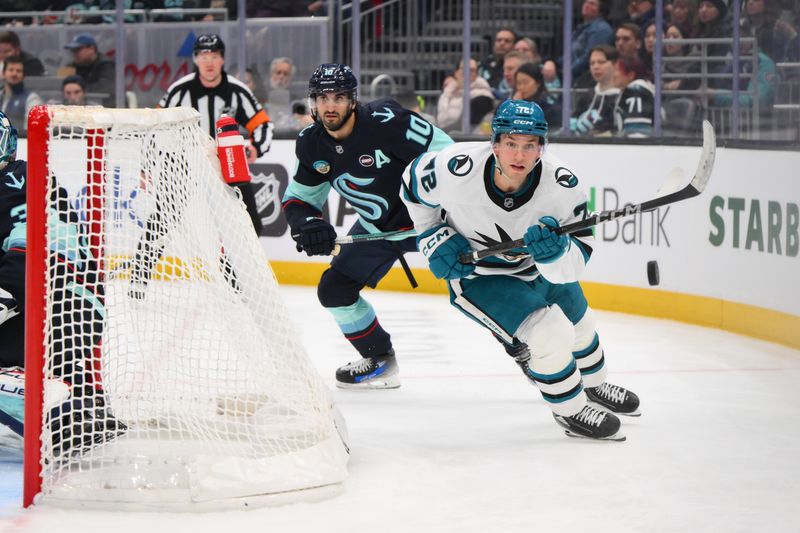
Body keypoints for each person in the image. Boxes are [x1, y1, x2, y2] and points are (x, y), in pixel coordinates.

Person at [400, 99, 640, 441]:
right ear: (494, 143)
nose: (519, 155)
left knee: (582, 324)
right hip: (480, 277)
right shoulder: (455, 168)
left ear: (541, 148)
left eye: (529, 146)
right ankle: (570, 411)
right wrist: (432, 234)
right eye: (511, 143)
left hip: (535, 267)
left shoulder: (563, 187)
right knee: (551, 333)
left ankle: (595, 386)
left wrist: (556, 254)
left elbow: (574, 265)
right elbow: (411, 185)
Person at [281, 63, 453, 389]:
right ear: (313, 102)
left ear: (353, 99)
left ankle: (528, 348)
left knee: (481, 286)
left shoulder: (390, 123)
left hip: (434, 220)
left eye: (339, 97)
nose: (330, 105)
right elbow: (299, 200)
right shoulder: (312, 144)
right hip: (379, 228)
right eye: (322, 97)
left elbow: (451, 159)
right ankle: (380, 359)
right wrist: (307, 224)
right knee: (334, 289)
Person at [0, 111, 124, 452]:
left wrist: (6, 293)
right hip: (42, 305)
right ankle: (80, 399)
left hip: (62, 302)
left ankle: (64, 407)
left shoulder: (23, 178)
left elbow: (37, 245)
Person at [159, 34, 273, 234]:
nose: (209, 62)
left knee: (251, 224)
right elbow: (156, 128)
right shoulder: (179, 90)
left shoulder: (237, 90)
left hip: (228, 165)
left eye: (214, 55)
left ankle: (228, 266)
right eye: (203, 56)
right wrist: (147, 167)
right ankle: (140, 265)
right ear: (195, 59)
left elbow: (262, 124)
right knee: (162, 220)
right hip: (187, 164)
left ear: (223, 59)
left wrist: (256, 147)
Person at [570, 44, 621, 136]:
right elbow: (573, 121)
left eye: (601, 62)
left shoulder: (622, 97)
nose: (595, 67)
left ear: (615, 64)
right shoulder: (587, 96)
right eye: (592, 63)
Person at [436, 57, 496, 133]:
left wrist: (443, 132)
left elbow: (463, 124)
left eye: (472, 70)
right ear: (456, 72)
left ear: (476, 74)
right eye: (464, 69)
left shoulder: (483, 96)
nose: (468, 73)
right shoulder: (447, 93)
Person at [63, 33, 116, 107]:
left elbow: (106, 87)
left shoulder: (106, 64)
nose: (74, 53)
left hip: (109, 107)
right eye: (73, 51)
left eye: (78, 50)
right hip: (81, 106)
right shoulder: (71, 65)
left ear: (92, 49)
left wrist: (81, 88)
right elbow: (62, 83)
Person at [613, 56, 657, 137]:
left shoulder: (635, 93)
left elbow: (637, 134)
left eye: (617, 70)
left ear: (631, 75)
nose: (613, 74)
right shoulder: (640, 92)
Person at [0, 56, 43, 137]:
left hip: (19, 144)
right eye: (11, 70)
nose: (14, 74)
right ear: (3, 73)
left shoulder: (32, 99)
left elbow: (33, 130)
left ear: (23, 76)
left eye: (18, 71)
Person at [513, 62, 561, 130]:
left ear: (538, 83)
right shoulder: (512, 102)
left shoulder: (547, 106)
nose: (521, 87)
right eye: (519, 83)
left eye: (525, 82)